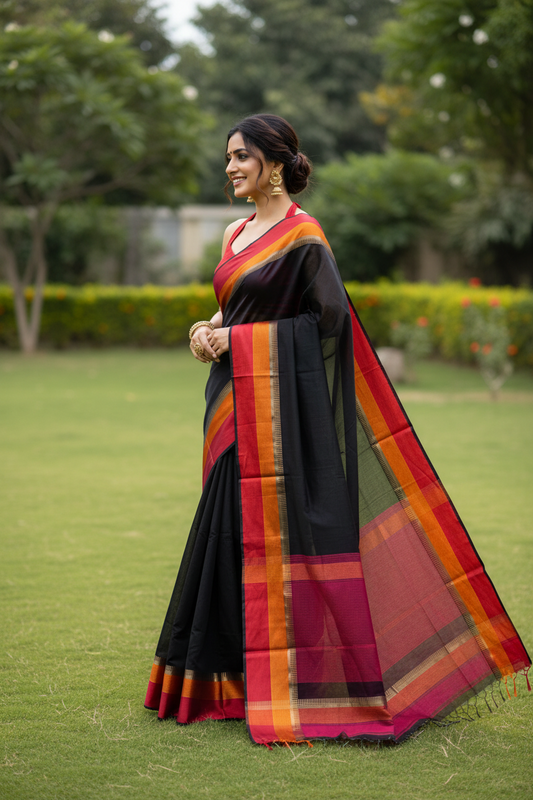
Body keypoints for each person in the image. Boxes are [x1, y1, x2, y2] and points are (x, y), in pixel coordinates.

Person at [145, 114, 530, 746]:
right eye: (228, 158)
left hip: (278, 412)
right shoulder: (236, 232)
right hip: (231, 401)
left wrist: (233, 340)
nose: (230, 168)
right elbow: (235, 302)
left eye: (241, 157)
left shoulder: (304, 237)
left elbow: (326, 322)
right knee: (226, 530)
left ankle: (299, 681)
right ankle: (224, 680)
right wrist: (206, 327)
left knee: (273, 536)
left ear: (273, 161)